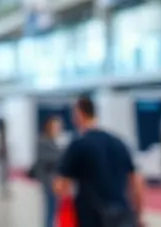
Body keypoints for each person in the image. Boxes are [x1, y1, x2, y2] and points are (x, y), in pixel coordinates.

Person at [55, 96, 143, 227]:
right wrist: (137, 215)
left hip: (91, 217)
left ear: (79, 114)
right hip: (122, 215)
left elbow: (61, 186)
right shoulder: (119, 142)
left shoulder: (78, 145)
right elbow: (136, 182)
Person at [34, 117, 66, 227]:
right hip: (49, 181)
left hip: (59, 181)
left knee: (57, 210)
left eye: (59, 127)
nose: (57, 129)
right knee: (50, 210)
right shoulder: (43, 141)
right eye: (55, 126)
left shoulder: (58, 141)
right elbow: (47, 159)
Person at [0, 118, 11, 198]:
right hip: (1, 158)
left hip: (4, 158)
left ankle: (4, 191)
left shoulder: (3, 134)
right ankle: (3, 192)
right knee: (2, 176)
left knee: (5, 176)